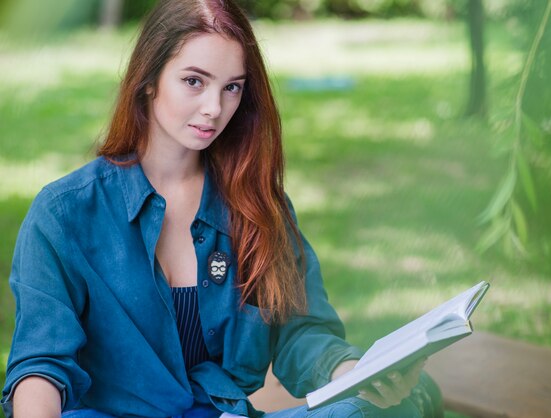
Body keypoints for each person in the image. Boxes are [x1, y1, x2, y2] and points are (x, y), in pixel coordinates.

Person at [1, 0, 443, 417]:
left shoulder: (258, 205)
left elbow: (300, 333)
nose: (214, 109)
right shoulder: (63, 215)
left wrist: (356, 376)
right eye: (194, 81)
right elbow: (40, 364)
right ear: (149, 79)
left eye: (232, 88)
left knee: (402, 404)